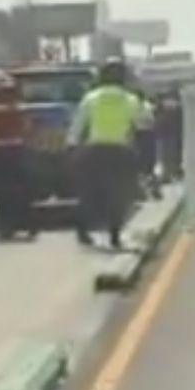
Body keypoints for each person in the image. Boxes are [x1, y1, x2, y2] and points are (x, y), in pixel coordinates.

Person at [67, 61, 141, 249]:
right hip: (120, 151)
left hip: (95, 150)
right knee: (120, 193)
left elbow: (77, 126)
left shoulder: (91, 98)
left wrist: (72, 146)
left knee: (89, 192)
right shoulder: (131, 99)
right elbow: (143, 123)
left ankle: (82, 231)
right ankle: (114, 235)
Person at [0, 72, 36, 239]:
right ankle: (28, 223)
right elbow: (28, 128)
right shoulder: (20, 107)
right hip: (17, 152)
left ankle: (7, 226)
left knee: (2, 192)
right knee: (22, 191)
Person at [133, 91, 160, 200]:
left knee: (147, 165)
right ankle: (143, 191)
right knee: (141, 165)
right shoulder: (135, 106)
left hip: (145, 135)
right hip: (139, 135)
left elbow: (150, 121)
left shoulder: (146, 106)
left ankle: (152, 190)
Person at [156, 90, 184, 182]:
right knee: (171, 154)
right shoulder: (178, 106)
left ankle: (168, 174)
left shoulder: (161, 106)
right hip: (171, 133)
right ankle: (171, 173)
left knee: (166, 155)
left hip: (165, 133)